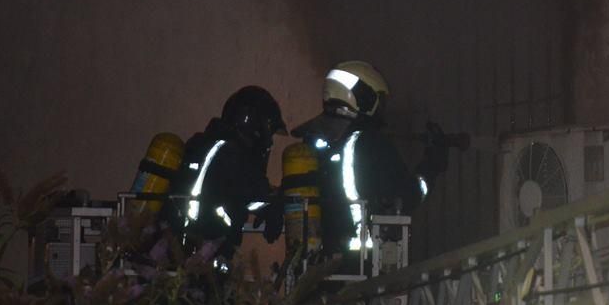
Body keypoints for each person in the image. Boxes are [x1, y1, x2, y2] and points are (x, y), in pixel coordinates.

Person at [291, 61, 448, 256]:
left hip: (313, 262)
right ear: (364, 98)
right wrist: (431, 166)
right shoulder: (370, 143)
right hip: (360, 265)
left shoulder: (313, 141)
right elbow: (407, 195)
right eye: (379, 99)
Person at [164, 85, 287, 262]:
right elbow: (253, 192)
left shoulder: (207, 145)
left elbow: (232, 191)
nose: (269, 142)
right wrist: (275, 203)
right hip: (202, 251)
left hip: (180, 247)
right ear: (256, 126)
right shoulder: (232, 154)